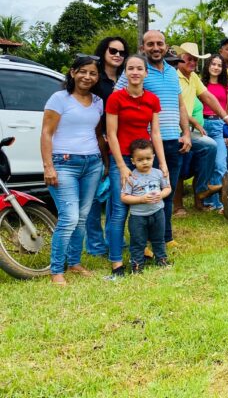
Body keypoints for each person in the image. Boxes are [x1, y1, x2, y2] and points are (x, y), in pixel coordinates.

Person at [116, 30, 191, 246]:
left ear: (166, 46)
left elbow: (180, 104)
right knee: (146, 192)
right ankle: (145, 240)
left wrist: (185, 133)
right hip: (147, 146)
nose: (155, 48)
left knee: (167, 190)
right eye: (150, 44)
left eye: (159, 43)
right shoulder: (136, 70)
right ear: (143, 48)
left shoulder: (171, 71)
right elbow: (118, 97)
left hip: (173, 141)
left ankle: (165, 237)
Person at [40, 55, 107, 286]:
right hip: (63, 163)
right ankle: (57, 270)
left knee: (82, 218)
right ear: (73, 72)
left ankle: (75, 262)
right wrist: (48, 166)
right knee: (69, 218)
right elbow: (46, 133)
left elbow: (98, 135)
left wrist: (105, 162)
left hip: (92, 164)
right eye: (83, 71)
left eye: (93, 73)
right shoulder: (59, 99)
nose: (87, 77)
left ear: (97, 77)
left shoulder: (98, 101)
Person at [106, 54, 168, 279]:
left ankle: (143, 251)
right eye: (130, 68)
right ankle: (116, 263)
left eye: (139, 68)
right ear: (126, 73)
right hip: (122, 159)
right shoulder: (116, 98)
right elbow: (110, 134)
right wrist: (122, 166)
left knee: (150, 205)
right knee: (120, 212)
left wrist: (161, 162)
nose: (134, 72)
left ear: (145, 72)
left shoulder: (152, 99)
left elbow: (156, 133)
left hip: (145, 159)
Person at [172, 42, 228, 213]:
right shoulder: (173, 76)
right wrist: (194, 122)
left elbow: (208, 97)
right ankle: (178, 206)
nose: (192, 63)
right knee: (179, 164)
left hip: (191, 128)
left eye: (195, 60)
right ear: (180, 59)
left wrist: (226, 117)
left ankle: (202, 191)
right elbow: (174, 107)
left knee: (209, 148)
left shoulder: (193, 77)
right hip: (173, 128)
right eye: (189, 59)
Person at [85, 36, 129, 258]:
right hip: (93, 141)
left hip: (119, 142)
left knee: (115, 194)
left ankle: (116, 240)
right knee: (93, 197)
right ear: (103, 51)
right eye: (113, 50)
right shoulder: (94, 78)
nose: (117, 55)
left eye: (122, 52)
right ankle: (94, 244)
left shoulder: (126, 78)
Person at [120, 139, 171, 273]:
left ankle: (162, 260)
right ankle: (137, 266)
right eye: (140, 159)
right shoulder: (131, 177)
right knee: (138, 242)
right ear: (133, 161)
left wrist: (161, 194)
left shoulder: (158, 173)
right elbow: (124, 197)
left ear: (153, 157)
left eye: (148, 158)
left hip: (158, 213)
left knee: (159, 239)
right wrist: (141, 199)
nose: (145, 162)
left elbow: (167, 188)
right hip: (138, 217)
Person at [200, 54, 228, 212]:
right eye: (213, 64)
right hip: (202, 125)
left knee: (220, 164)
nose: (216, 67)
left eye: (219, 65)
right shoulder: (200, 84)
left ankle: (222, 201)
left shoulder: (226, 85)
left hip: (219, 124)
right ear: (207, 66)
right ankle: (209, 202)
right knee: (208, 166)